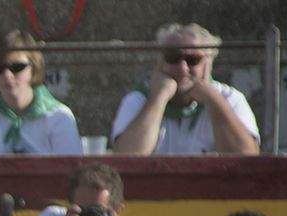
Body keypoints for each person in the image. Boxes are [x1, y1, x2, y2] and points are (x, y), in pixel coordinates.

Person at [110, 24, 260, 155]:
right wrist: (158, 98)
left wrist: (213, 100)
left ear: (208, 63)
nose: (182, 69)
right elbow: (124, 156)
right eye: (173, 58)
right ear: (160, 62)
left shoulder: (230, 98)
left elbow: (247, 158)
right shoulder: (138, 98)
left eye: (193, 60)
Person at [0, 30, 81, 155]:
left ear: (34, 68)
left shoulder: (60, 117)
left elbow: (69, 170)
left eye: (17, 67)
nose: (7, 75)